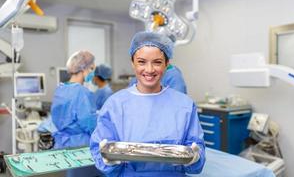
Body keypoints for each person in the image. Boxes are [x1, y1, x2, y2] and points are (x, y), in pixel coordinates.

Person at [90, 31, 206, 176]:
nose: (149, 70)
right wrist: (106, 159)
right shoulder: (115, 105)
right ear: (133, 63)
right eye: (141, 62)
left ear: (167, 64)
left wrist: (195, 158)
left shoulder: (185, 105)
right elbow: (99, 150)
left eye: (157, 62)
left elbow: (196, 151)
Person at [51, 50, 102, 177]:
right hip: (80, 148)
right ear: (83, 69)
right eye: (91, 68)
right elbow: (90, 124)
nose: (92, 72)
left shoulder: (61, 89)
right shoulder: (81, 93)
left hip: (62, 145)